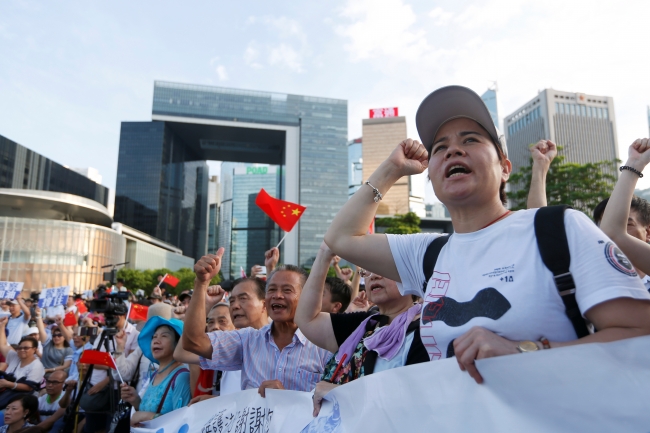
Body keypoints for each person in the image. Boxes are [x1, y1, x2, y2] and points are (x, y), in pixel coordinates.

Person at [323, 85, 650, 384]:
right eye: (440, 147)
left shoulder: (559, 227)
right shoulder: (427, 254)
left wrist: (525, 351)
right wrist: (391, 169)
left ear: (504, 167)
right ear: (433, 178)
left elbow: (640, 333)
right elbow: (341, 238)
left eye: (470, 140)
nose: (453, 151)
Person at [296, 242, 428, 415]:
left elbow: (416, 400)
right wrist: (323, 256)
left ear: (411, 275)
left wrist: (343, 395)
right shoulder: (364, 325)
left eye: (383, 268)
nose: (373, 276)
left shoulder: (428, 331)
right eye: (368, 271)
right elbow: (306, 319)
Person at [183, 250, 331, 397]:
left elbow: (337, 405)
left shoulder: (324, 346)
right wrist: (201, 284)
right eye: (272, 289)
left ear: (305, 297)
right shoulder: (247, 340)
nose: (277, 295)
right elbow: (193, 342)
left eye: (287, 290)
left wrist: (287, 399)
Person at [177, 278, 268, 403]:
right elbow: (182, 352)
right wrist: (217, 401)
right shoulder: (235, 344)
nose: (235, 306)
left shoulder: (284, 342)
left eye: (243, 299)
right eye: (232, 301)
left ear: (265, 304)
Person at [119, 317, 191, 427]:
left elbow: (182, 423)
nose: (156, 340)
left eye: (164, 336)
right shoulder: (154, 374)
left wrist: (146, 416)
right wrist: (135, 400)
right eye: (154, 337)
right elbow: (149, 409)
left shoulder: (181, 377)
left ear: (178, 343)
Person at [600, 138, 650, 286]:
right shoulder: (595, 280)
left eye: (627, 224)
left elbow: (613, 234)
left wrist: (634, 164)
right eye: (599, 226)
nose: (601, 233)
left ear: (648, 232)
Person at [0, 319, 44, 406]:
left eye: (26, 348)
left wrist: (9, 384)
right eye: (20, 348)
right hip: (6, 394)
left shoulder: (37, 365)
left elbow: (29, 387)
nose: (22, 350)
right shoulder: (14, 356)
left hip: (23, 399)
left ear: (34, 349)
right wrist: (2, 326)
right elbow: (2, 344)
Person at [33, 307, 73, 374]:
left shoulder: (68, 350)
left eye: (59, 335)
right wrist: (38, 315)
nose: (56, 337)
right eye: (54, 335)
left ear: (64, 337)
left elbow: (66, 366)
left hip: (57, 377)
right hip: (42, 375)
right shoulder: (47, 344)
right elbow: (41, 330)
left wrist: (50, 370)